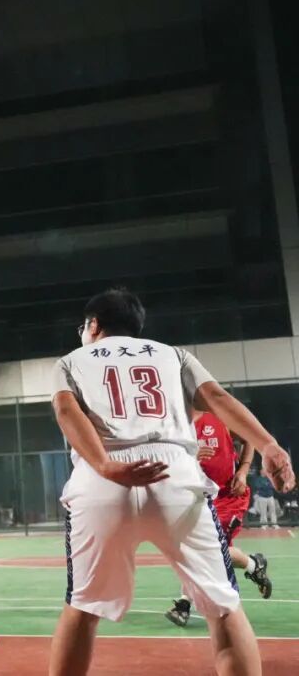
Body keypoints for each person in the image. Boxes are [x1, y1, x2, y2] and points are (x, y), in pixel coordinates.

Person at [48, 288, 295, 676]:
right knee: (223, 608)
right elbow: (217, 398)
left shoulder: (70, 362)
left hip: (102, 485)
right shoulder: (173, 355)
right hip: (176, 476)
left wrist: (105, 465)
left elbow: (66, 409)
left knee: (82, 607)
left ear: (93, 325)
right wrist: (269, 445)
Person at [166, 412, 270, 627]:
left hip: (228, 496)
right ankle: (254, 564)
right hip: (198, 497)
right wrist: (188, 458)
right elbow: (168, 462)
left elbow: (248, 437)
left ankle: (184, 604)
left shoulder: (219, 416)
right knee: (199, 550)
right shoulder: (174, 425)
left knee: (210, 550)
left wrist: (243, 471)